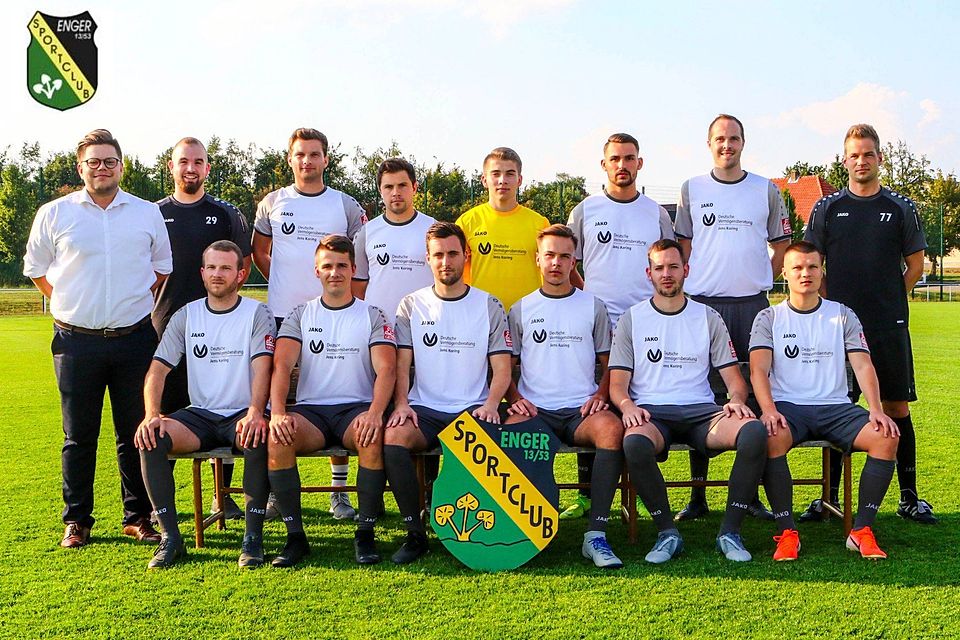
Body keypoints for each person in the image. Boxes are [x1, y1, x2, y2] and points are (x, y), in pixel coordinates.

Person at [24, 129, 171, 549]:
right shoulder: (54, 213)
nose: (101, 168)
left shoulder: (146, 212)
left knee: (135, 434)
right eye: (93, 162)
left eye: (109, 161)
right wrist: (69, 301)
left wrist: (128, 301)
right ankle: (77, 521)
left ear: (121, 167)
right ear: (81, 168)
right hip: (76, 342)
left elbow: (161, 269)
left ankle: (138, 517)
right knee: (78, 437)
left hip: (133, 339)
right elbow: (36, 270)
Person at [803, 123, 934, 524]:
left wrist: (892, 298)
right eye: (854, 155)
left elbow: (916, 265)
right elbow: (812, 262)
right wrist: (832, 307)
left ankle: (909, 497)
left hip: (887, 326)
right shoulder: (826, 208)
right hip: (837, 331)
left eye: (868, 154)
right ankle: (829, 499)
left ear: (880, 158)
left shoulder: (901, 207)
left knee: (896, 407)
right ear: (844, 161)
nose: (861, 161)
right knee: (836, 407)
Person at [609, 239, 768, 564]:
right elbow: (617, 386)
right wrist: (627, 406)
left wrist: (737, 400)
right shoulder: (632, 319)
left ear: (686, 270)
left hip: (702, 415)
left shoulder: (707, 317)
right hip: (652, 415)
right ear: (649, 273)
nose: (666, 274)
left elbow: (735, 381)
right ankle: (667, 533)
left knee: (753, 431)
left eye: (673, 267)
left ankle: (730, 532)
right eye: (659, 268)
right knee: (634, 443)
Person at [672, 114, 790, 522]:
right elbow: (685, 246)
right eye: (720, 139)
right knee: (701, 393)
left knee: (755, 393)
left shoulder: (765, 189)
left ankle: (750, 495)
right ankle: (698, 496)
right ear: (709, 144)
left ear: (743, 142)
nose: (727, 145)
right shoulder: (692, 188)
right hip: (704, 305)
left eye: (734, 138)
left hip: (752, 306)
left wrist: (759, 280)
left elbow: (781, 245)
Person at [750, 241, 900, 560]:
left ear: (821, 271)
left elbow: (863, 365)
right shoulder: (769, 317)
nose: (805, 273)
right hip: (789, 408)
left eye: (812, 267)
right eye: (797, 268)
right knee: (771, 436)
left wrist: (876, 409)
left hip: (837, 408)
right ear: (784, 273)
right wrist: (768, 410)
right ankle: (787, 532)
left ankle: (861, 531)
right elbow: (758, 370)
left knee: (885, 437)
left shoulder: (842, 315)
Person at [135, 241, 274, 568]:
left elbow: (263, 367)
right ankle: (171, 538)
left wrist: (256, 412)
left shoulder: (257, 313)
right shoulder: (187, 315)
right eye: (211, 267)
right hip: (200, 416)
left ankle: (252, 538)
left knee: (257, 436)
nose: (217, 274)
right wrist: (151, 415)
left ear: (241, 274)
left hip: (241, 414)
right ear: (202, 272)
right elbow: (157, 370)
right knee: (151, 437)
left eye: (225, 268)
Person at [253, 127, 367, 520]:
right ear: (290, 159)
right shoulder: (273, 202)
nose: (307, 161)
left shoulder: (345, 205)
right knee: (280, 402)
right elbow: (261, 252)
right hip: (283, 315)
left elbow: (360, 254)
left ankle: (339, 493)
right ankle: (276, 492)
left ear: (326, 159)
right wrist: (285, 282)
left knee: (338, 395)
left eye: (314, 154)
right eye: (300, 154)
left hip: (335, 314)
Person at [561, 132, 675, 521]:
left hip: (644, 325)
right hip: (596, 325)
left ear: (639, 163)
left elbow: (668, 261)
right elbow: (569, 261)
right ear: (604, 164)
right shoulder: (585, 211)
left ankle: (640, 489)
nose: (622, 165)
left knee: (637, 406)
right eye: (615, 159)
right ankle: (585, 494)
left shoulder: (656, 213)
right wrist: (587, 299)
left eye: (629, 158)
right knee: (592, 401)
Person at [384, 222, 512, 564]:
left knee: (487, 440)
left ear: (466, 256)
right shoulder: (411, 305)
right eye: (438, 255)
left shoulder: (488, 304)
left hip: (473, 409)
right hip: (424, 409)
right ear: (427, 258)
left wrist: (492, 404)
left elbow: (502, 368)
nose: (446, 262)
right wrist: (401, 403)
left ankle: (476, 528)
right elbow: (401, 365)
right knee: (393, 441)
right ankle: (415, 533)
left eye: (453, 253)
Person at [267, 235, 396, 567]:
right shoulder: (301, 314)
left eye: (341, 265)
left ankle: (365, 533)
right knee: (278, 437)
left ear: (353, 269)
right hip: (312, 413)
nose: (334, 272)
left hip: (356, 410)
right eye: (327, 266)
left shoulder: (372, 314)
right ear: (316, 271)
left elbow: (386, 369)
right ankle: (295, 537)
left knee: (371, 436)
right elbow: (281, 366)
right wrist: (278, 412)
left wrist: (376, 413)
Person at [505, 224, 624, 569]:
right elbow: (506, 366)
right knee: (512, 432)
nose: (556, 263)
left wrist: (601, 393)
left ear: (574, 262)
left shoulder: (593, 306)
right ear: (537, 259)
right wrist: (514, 396)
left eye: (564, 256)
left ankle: (595, 535)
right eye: (550, 255)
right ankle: (526, 528)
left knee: (611, 431)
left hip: (580, 411)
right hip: (535, 410)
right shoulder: (520, 309)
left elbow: (610, 363)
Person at [153, 136, 253, 520]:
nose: (190, 168)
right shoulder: (153, 213)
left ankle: (221, 496)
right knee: (167, 414)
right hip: (165, 327)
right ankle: (160, 507)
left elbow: (242, 265)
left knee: (222, 407)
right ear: (171, 166)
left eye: (198, 162)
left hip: (219, 330)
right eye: (184, 161)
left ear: (207, 168)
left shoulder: (225, 214)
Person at [455, 147, 549, 312]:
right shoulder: (466, 222)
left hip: (529, 314)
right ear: (484, 180)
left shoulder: (540, 223)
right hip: (481, 313)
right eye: (496, 174)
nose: (502, 180)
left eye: (510, 174)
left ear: (519, 180)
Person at [352, 157, 435, 325]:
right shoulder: (366, 233)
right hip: (380, 329)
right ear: (380, 191)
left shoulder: (433, 229)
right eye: (389, 187)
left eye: (402, 185)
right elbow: (357, 287)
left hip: (425, 325)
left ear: (414, 187)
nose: (396, 192)